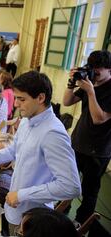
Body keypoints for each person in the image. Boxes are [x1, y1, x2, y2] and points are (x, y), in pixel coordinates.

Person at [0, 71, 81, 235]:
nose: (15, 104)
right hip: (13, 209)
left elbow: (71, 186)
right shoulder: (26, 121)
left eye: (22, 99)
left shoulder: (53, 134)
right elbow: (13, 151)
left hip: (31, 218)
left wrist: (22, 195)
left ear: (40, 98)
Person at [63, 50, 111, 225]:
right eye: (92, 68)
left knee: (89, 190)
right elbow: (67, 102)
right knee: (68, 181)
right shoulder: (91, 83)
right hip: (78, 143)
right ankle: (62, 211)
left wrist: (91, 91)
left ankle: (80, 223)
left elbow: (99, 119)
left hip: (97, 151)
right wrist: (72, 82)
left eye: (98, 70)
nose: (94, 73)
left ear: (109, 69)